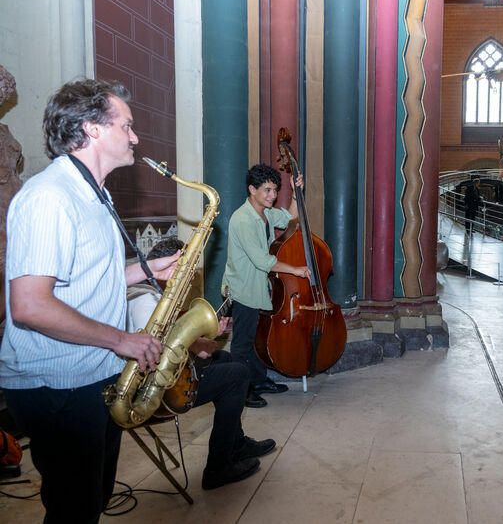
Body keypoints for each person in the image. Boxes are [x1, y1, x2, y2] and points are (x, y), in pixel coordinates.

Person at [0, 79, 182, 523]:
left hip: (94, 374)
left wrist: (146, 269)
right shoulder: (49, 197)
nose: (135, 137)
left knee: (92, 500)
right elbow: (30, 305)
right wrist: (122, 340)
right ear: (92, 128)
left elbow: (85, 280)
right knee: (73, 510)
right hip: (58, 384)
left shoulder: (96, 193)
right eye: (127, 125)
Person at [127, 239, 276, 490]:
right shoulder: (145, 301)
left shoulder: (147, 293)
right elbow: (158, 354)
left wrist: (202, 342)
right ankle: (218, 466)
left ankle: (236, 445)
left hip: (159, 378)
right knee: (238, 374)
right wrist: (198, 345)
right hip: (156, 394)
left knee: (225, 359)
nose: (187, 283)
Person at [222, 164, 311, 408]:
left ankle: (259, 381)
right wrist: (295, 270)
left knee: (256, 338)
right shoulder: (243, 219)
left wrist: (295, 194)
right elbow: (262, 261)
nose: (272, 195)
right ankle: (240, 391)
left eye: (275, 190)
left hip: (259, 287)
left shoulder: (266, 213)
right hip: (243, 288)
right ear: (252, 189)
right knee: (242, 344)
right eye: (267, 190)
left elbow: (290, 219)